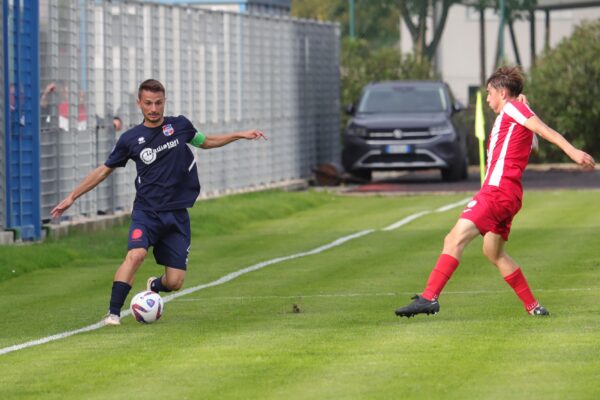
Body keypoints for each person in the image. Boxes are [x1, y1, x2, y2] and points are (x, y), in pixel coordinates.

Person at [51, 79, 267, 325]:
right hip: (147, 212)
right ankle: (112, 313)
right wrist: (71, 197)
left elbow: (205, 142)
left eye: (158, 103)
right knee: (136, 254)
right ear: (139, 104)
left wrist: (240, 134)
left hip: (176, 215)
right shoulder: (131, 139)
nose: (153, 109)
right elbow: (104, 170)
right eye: (148, 104)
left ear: (164, 102)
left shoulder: (180, 126)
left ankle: (153, 285)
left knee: (174, 283)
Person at [395, 66, 595, 318]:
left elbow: (544, 130)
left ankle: (429, 297)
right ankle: (534, 307)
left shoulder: (513, 108)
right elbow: (533, 144)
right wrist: (529, 109)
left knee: (453, 239)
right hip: (510, 195)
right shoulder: (516, 114)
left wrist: (573, 152)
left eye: (489, 93)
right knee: (493, 252)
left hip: (497, 191)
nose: (488, 98)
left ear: (502, 92)